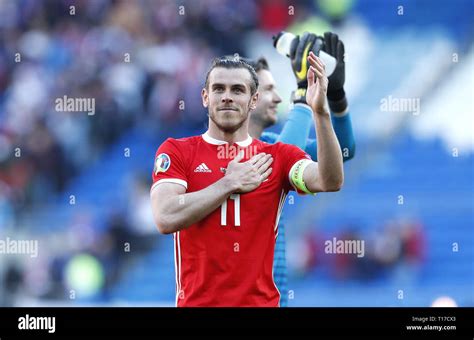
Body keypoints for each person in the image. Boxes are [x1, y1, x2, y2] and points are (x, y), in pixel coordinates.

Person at [150, 52, 343, 307]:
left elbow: (329, 180)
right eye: (218, 88)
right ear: (205, 97)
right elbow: (165, 216)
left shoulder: (278, 156)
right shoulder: (177, 151)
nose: (227, 96)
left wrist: (320, 113)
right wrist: (228, 183)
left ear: (254, 100)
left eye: (238, 90)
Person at [245, 32, 355, 306]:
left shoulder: (271, 143)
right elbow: (278, 169)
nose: (278, 98)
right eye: (268, 90)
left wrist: (337, 97)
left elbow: (343, 151)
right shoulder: (224, 153)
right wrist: (303, 92)